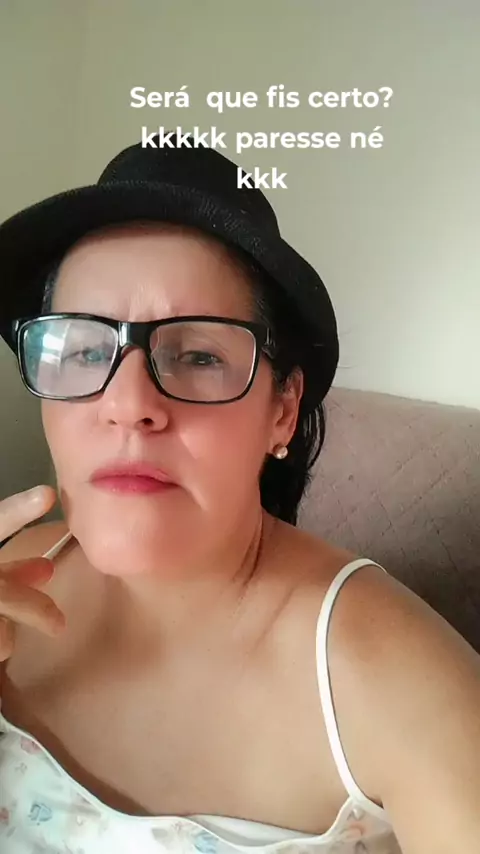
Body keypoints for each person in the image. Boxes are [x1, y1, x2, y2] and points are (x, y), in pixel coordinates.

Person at [0, 138, 478, 854]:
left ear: (282, 411)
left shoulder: (401, 682)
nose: (127, 405)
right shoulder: (14, 577)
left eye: (198, 356)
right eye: (86, 349)